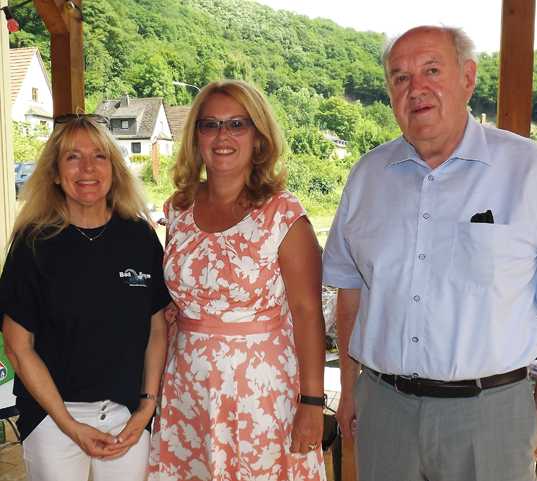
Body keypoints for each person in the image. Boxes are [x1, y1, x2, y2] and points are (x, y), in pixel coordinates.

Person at [323, 25, 537, 481]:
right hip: (384, 409)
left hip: (489, 417)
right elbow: (350, 287)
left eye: (432, 70)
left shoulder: (531, 172)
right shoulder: (368, 177)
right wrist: (350, 390)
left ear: (468, 78)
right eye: (400, 77)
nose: (416, 89)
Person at [148, 79, 327, 481]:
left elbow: (307, 313)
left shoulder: (284, 215)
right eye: (209, 125)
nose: (222, 136)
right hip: (187, 392)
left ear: (258, 137)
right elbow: (172, 306)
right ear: (196, 136)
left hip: (261, 398)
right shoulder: (178, 209)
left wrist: (312, 402)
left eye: (237, 124)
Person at [0, 114, 171, 481]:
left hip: (127, 417)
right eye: (73, 157)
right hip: (53, 417)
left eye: (99, 156)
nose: (88, 168)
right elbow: (18, 346)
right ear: (56, 173)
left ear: (115, 169)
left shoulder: (138, 236)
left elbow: (157, 327)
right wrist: (67, 424)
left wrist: (147, 407)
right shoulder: (34, 243)